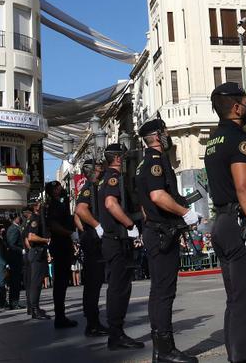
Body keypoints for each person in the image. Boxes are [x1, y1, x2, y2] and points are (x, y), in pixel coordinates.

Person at [204, 81, 246, 363]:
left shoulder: (213, 141)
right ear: (237, 106)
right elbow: (244, 186)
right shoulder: (240, 140)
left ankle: (236, 358)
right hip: (240, 223)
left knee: (235, 301)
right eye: (245, 100)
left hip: (222, 221)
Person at [135, 117, 201, 363]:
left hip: (157, 231)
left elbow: (145, 205)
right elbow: (157, 195)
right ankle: (165, 351)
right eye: (164, 132)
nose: (167, 135)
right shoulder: (154, 161)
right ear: (156, 136)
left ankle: (160, 349)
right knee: (164, 293)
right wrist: (186, 213)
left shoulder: (143, 163)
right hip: (162, 233)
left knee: (158, 292)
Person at [98, 143, 144, 350]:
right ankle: (116, 335)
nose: (124, 159)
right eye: (123, 156)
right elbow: (111, 204)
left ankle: (116, 333)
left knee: (119, 288)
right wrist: (130, 224)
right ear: (117, 158)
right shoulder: (113, 178)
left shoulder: (103, 179)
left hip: (112, 241)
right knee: (119, 289)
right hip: (116, 241)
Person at [72, 158, 107, 336]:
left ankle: (93, 321)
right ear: (92, 170)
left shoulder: (89, 188)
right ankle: (92, 324)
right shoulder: (90, 188)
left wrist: (82, 230)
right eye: (99, 168)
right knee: (94, 283)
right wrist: (95, 226)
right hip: (93, 242)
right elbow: (80, 211)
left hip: (89, 239)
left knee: (93, 283)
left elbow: (76, 215)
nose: (101, 170)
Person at [45, 180, 78, 328]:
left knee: (62, 283)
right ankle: (60, 317)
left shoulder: (59, 203)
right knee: (60, 283)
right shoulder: (54, 205)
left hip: (63, 244)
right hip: (60, 245)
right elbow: (54, 225)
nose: (61, 188)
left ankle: (61, 315)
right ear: (53, 191)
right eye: (57, 187)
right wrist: (69, 233)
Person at [23, 198, 51, 320]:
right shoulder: (35, 218)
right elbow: (31, 237)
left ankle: (35, 307)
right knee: (35, 283)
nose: (42, 205)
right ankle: (34, 309)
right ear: (35, 207)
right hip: (37, 252)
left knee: (37, 282)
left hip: (36, 252)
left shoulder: (34, 218)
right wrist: (46, 240)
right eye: (40, 204)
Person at [3, 217, 23, 310]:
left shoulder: (15, 228)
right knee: (15, 282)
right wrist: (21, 250)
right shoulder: (14, 229)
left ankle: (14, 302)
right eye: (19, 217)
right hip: (15, 258)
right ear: (16, 219)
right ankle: (14, 302)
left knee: (15, 282)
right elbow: (12, 244)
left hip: (15, 258)